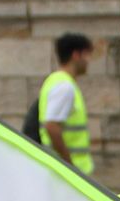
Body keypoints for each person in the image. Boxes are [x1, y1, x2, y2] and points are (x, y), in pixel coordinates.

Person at [39, 31, 94, 173]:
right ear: (76, 55)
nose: (89, 60)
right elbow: (52, 126)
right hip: (69, 174)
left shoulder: (56, 81)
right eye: (87, 55)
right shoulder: (65, 87)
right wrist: (69, 166)